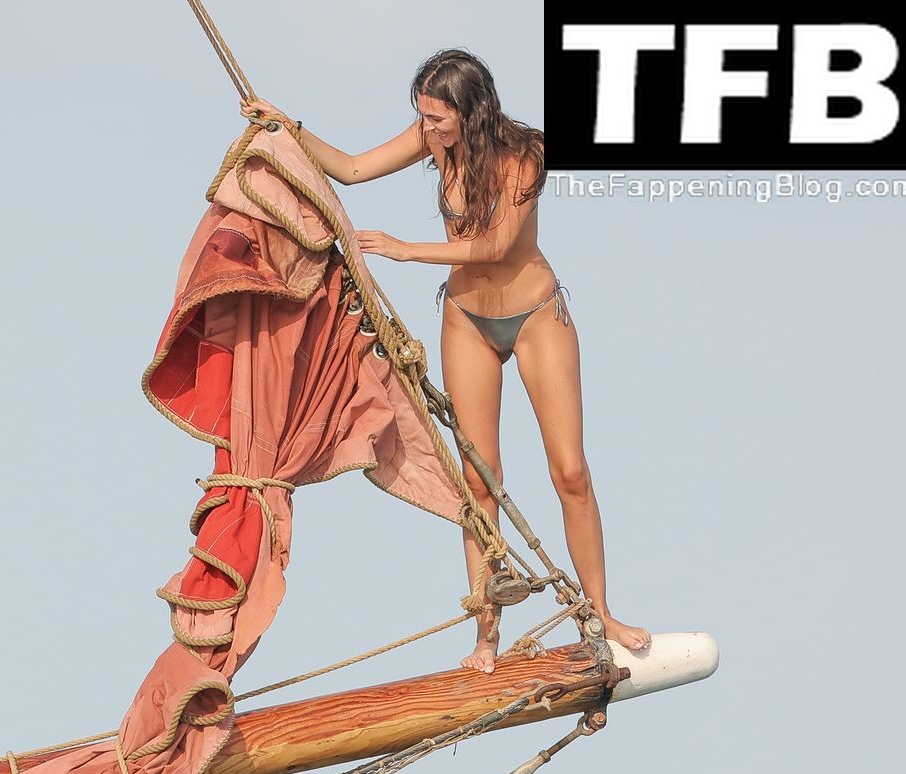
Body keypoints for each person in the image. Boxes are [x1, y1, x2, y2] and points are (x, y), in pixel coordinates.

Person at [251, 49, 649, 670]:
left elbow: (495, 245)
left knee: (570, 471)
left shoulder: (526, 154)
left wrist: (405, 250)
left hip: (535, 316)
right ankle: (486, 636)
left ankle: (601, 611)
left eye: (438, 118)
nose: (428, 128)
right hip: (466, 321)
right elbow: (352, 169)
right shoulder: (433, 139)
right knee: (478, 479)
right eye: (423, 116)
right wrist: (288, 128)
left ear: (473, 110)